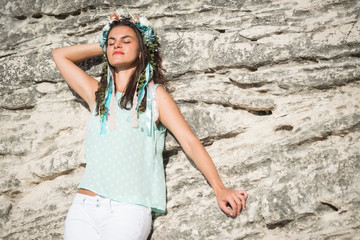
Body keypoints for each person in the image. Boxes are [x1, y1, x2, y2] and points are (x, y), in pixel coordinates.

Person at [52, 9, 248, 240]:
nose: (117, 45)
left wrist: (219, 188)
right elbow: (59, 55)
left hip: (127, 208)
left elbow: (189, 141)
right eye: (112, 42)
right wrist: (105, 43)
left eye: (127, 41)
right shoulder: (97, 93)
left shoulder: (155, 95)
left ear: (142, 50)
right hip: (83, 207)